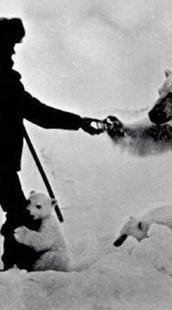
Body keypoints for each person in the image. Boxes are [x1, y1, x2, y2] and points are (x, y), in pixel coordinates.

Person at [0, 17, 103, 271]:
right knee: (17, 215)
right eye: (11, 45)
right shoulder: (4, 80)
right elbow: (39, 114)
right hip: (0, 162)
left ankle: (13, 269)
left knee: (17, 213)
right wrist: (79, 122)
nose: (13, 51)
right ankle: (16, 270)